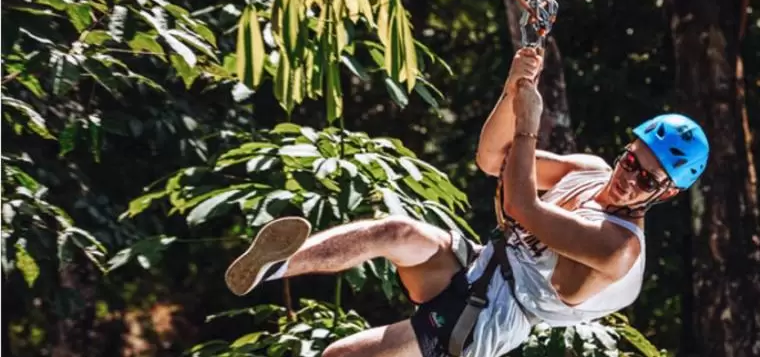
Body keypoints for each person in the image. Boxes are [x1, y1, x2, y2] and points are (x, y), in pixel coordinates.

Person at [223, 47, 710, 357]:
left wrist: (528, 124)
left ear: (668, 192)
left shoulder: (618, 247)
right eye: (631, 161)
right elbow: (493, 157)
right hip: (481, 263)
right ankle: (275, 267)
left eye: (648, 179)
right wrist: (514, 89)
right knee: (392, 231)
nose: (630, 178)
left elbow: (524, 207)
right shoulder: (588, 171)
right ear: (624, 151)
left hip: (494, 318)